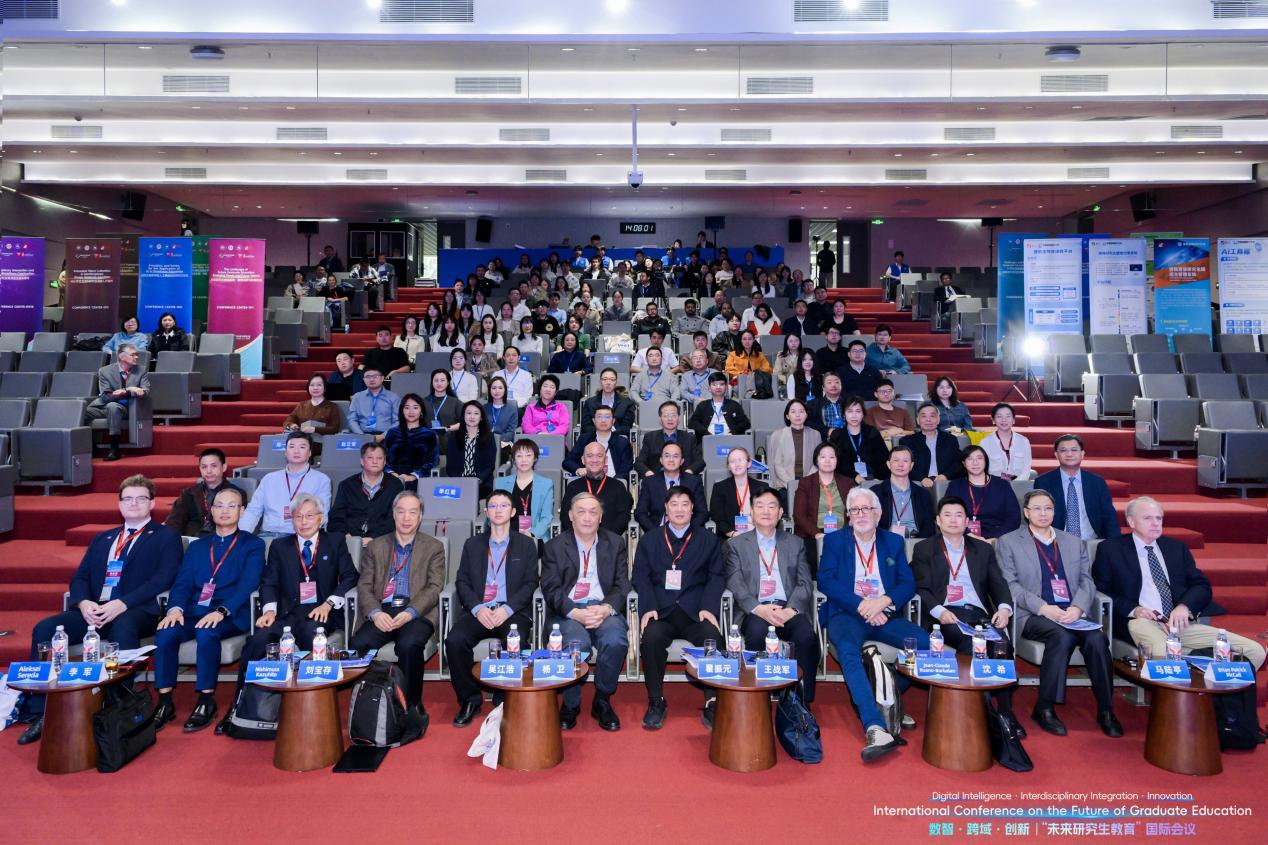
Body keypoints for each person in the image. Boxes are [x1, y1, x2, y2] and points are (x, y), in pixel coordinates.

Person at [15, 476, 182, 744]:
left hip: (137, 610)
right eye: (127, 499)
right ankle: (42, 711)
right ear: (119, 504)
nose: (134, 504)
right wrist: (83, 603)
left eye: (141, 498)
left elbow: (163, 578)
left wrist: (122, 603)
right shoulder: (103, 539)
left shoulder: (166, 537)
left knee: (123, 626)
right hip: (94, 610)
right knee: (45, 629)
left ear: (152, 503)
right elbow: (80, 578)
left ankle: (118, 706)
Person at [223, 492, 358, 732]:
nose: (304, 521)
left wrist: (329, 603)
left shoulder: (335, 541)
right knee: (257, 641)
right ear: (292, 520)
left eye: (310, 516)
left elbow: (350, 576)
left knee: (310, 636)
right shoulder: (280, 546)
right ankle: (239, 706)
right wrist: (269, 610)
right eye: (298, 517)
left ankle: (312, 709)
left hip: (320, 612)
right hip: (285, 614)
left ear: (321, 518)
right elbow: (269, 582)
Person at [997, 489, 1122, 738]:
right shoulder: (1009, 542)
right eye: (1037, 508)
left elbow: (1087, 581)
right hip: (1033, 614)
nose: (1043, 513)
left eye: (1048, 508)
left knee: (1097, 639)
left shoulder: (1073, 542)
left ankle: (1106, 709)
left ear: (1055, 512)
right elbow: (1010, 585)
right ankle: (1044, 707)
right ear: (1026, 513)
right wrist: (1044, 608)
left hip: (1072, 613)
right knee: (1061, 636)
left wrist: (1078, 607)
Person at [818, 486, 929, 761]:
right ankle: (875, 725)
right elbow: (826, 581)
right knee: (848, 652)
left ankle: (888, 697)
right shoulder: (835, 541)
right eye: (855, 510)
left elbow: (908, 583)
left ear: (878, 514)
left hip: (884, 613)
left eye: (866, 509)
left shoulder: (893, 542)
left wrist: (883, 601)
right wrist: (862, 605)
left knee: (923, 643)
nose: (860, 514)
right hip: (847, 613)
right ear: (848, 515)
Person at [1093, 496, 1265, 670]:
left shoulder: (1175, 548)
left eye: (1159, 518)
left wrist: (1184, 607)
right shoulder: (1111, 549)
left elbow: (1201, 585)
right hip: (1139, 621)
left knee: (1254, 651)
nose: (1155, 523)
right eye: (1148, 518)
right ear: (1131, 521)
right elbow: (1101, 591)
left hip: (1178, 624)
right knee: (1166, 655)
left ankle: (1206, 678)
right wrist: (1135, 610)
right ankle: (1189, 668)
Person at [152, 486, 265, 732]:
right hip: (194, 611)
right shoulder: (198, 546)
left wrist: (222, 611)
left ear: (242, 511)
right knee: (166, 633)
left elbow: (249, 583)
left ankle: (206, 700)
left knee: (207, 632)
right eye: (219, 506)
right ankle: (165, 701)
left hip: (231, 613)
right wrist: (175, 609)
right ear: (211, 511)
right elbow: (182, 583)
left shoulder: (253, 545)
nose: (225, 511)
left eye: (232, 506)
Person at [910, 495, 1020, 731]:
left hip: (979, 614)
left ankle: (1006, 712)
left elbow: (998, 583)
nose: (953, 520)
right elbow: (921, 587)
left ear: (967, 521)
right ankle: (982, 716)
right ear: (938, 521)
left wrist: (1004, 608)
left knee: (1002, 646)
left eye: (959, 515)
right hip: (947, 615)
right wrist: (939, 611)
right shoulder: (924, 548)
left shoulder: (982, 548)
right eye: (947, 515)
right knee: (974, 645)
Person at [632, 487, 726, 730]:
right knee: (651, 638)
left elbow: (717, 576)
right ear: (666, 508)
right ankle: (656, 700)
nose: (680, 509)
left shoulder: (708, 540)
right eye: (674, 504)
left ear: (693, 508)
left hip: (695, 611)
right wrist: (648, 607)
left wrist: (708, 607)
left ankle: (713, 701)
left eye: (685, 504)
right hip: (661, 610)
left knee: (713, 638)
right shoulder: (649, 540)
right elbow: (640, 577)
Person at [447, 489, 540, 727]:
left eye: (503, 506)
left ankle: (505, 696)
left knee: (516, 640)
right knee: (455, 641)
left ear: (513, 512)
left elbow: (531, 583)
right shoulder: (472, 544)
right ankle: (470, 699)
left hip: (512, 611)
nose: (498, 511)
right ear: (486, 512)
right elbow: (462, 581)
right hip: (480, 611)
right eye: (493, 506)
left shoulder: (526, 544)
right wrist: (478, 608)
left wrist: (507, 609)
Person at [349, 491, 446, 719]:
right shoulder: (376, 546)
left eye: (412, 512)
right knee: (359, 643)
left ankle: (410, 706)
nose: (406, 518)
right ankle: (371, 702)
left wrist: (411, 612)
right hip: (383, 610)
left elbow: (434, 587)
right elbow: (364, 585)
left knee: (409, 644)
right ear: (393, 514)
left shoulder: (433, 547)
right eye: (401, 511)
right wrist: (375, 613)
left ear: (420, 516)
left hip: (417, 612)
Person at [541, 494, 630, 731]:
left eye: (593, 512)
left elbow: (622, 584)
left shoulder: (615, 543)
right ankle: (571, 704)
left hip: (602, 607)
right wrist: (574, 612)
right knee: (576, 645)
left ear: (601, 517)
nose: (587, 518)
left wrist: (606, 608)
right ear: (571, 516)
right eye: (581, 512)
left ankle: (602, 699)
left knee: (615, 640)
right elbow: (550, 588)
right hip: (568, 611)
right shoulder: (554, 546)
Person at [724, 488, 820, 704]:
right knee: (756, 632)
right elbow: (735, 583)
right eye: (760, 506)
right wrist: (759, 608)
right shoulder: (736, 545)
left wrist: (790, 610)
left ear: (780, 512)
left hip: (788, 608)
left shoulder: (795, 543)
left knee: (806, 636)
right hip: (755, 610)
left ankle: (801, 703)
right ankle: (758, 700)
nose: (766, 511)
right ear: (751, 513)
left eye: (772, 506)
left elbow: (805, 583)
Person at [240, 432, 332, 537]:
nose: (296, 451)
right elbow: (253, 511)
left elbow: (321, 515)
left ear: (310, 453)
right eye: (292, 447)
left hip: (300, 536)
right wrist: (242, 536)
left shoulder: (321, 480)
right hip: (268, 534)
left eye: (302, 447)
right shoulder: (269, 479)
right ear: (285, 452)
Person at [1034, 434, 1120, 542]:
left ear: (1082, 454)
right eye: (1063, 450)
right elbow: (1038, 517)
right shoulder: (1044, 482)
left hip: (1091, 542)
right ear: (1056, 454)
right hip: (1057, 542)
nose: (1069, 454)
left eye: (1074, 450)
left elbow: (1109, 516)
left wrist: (1114, 544)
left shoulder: (1096, 482)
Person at [792, 442, 856, 573]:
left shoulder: (848, 483)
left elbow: (855, 511)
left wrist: (845, 532)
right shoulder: (805, 483)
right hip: (813, 534)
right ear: (816, 460)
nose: (827, 461)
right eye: (823, 457)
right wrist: (817, 533)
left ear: (837, 460)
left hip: (843, 532)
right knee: (812, 558)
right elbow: (799, 515)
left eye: (832, 457)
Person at [328, 441, 404, 546]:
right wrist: (347, 536)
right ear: (362, 461)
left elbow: (395, 518)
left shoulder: (395, 485)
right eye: (370, 458)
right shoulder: (347, 485)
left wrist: (374, 538)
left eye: (379, 458)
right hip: (349, 539)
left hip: (382, 541)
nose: (375, 461)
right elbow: (336, 516)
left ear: (384, 462)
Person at [86, 342, 150, 461]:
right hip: (104, 406)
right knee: (82, 412)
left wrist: (124, 392)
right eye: (133, 355)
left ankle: (114, 448)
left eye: (136, 354)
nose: (136, 357)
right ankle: (93, 447)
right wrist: (129, 390)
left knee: (113, 407)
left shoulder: (141, 370)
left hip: (130, 408)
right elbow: (106, 396)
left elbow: (145, 392)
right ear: (122, 356)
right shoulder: (105, 371)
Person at [945, 446, 1022, 540]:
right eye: (970, 459)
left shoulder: (1002, 485)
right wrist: (969, 535)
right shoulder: (955, 486)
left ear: (986, 461)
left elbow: (1014, 518)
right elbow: (948, 515)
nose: (975, 462)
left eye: (979, 458)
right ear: (964, 463)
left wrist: (995, 538)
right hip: (964, 537)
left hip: (999, 537)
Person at [165, 448, 246, 538]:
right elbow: (174, 521)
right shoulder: (188, 493)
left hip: (220, 539)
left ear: (224, 467)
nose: (209, 471)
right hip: (192, 539)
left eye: (213, 466)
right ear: (199, 469)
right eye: (204, 467)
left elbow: (237, 525)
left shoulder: (237, 494)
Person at [560, 441, 634, 537]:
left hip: (609, 540)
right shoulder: (573, 486)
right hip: (577, 539)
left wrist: (605, 538)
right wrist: (579, 537)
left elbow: (623, 517)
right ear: (583, 460)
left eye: (599, 456)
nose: (594, 460)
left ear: (605, 460)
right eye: (590, 456)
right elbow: (565, 516)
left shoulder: (618, 486)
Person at [634, 440, 708, 532]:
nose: (671, 460)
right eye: (667, 456)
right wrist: (655, 533)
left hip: (688, 532)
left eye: (675, 456)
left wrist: (688, 531)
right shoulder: (649, 482)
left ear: (682, 461)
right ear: (661, 460)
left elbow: (702, 513)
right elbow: (640, 513)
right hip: (658, 532)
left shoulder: (694, 482)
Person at [494, 439, 555, 544]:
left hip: (534, 537)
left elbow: (547, 517)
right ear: (514, 459)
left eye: (528, 455)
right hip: (506, 537)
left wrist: (531, 534)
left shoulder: (546, 484)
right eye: (519, 456)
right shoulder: (500, 483)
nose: (523, 460)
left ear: (535, 458)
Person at [708, 446, 770, 542]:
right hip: (732, 536)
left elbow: (768, 515)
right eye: (732, 461)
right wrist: (732, 533)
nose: (737, 464)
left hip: (758, 535)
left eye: (740, 460)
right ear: (728, 466)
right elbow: (717, 517)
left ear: (749, 463)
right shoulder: (720, 488)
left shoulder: (762, 487)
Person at [874, 446, 935, 540]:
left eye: (905, 461)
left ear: (911, 465)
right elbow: (871, 523)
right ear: (888, 464)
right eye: (896, 460)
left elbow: (929, 528)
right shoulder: (875, 493)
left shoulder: (923, 494)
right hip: (886, 540)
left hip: (916, 541)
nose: (900, 464)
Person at [899, 403, 965, 489]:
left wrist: (945, 476)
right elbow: (904, 465)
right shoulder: (907, 441)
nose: (928, 420)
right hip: (917, 484)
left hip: (945, 482)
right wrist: (921, 478)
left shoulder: (950, 439)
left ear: (938, 419)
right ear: (917, 420)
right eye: (924, 416)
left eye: (932, 416)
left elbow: (958, 463)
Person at [767, 399, 822, 499]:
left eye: (801, 411)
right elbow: (777, 464)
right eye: (793, 412)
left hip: (809, 481)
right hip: (785, 483)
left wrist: (805, 482)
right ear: (787, 416)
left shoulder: (815, 435)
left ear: (806, 414)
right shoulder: (777, 435)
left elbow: (817, 462)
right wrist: (791, 484)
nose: (798, 415)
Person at [829, 395, 890, 483]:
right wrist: (855, 476)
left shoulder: (872, 432)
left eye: (858, 411)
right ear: (844, 414)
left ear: (863, 414)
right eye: (850, 411)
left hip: (872, 478)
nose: (854, 416)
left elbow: (883, 458)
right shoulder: (837, 435)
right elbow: (836, 462)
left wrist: (877, 479)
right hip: (846, 479)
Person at [634, 401, 704, 477]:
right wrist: (650, 475)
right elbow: (639, 462)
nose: (670, 419)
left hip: (683, 479)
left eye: (673, 415)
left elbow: (699, 462)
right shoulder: (650, 438)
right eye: (666, 416)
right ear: (660, 419)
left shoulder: (689, 438)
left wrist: (688, 473)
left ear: (679, 418)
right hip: (657, 479)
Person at [383, 393, 441, 485]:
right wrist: (392, 473)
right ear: (402, 411)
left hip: (419, 481)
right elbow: (383, 458)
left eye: (415, 408)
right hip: (392, 479)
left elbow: (433, 461)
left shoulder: (430, 434)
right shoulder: (392, 433)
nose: (411, 411)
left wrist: (413, 476)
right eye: (407, 408)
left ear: (421, 411)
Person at [564, 405, 633, 478]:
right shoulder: (584, 439)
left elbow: (625, 470)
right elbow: (568, 461)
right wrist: (578, 470)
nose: (603, 420)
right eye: (599, 417)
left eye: (607, 417)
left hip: (614, 481)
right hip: (588, 481)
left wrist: (613, 482)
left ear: (613, 421)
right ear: (594, 421)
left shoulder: (622, 443)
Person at [447, 401, 499, 497]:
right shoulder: (454, 436)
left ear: (481, 417)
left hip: (482, 483)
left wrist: (478, 480)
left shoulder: (489, 437)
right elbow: (450, 466)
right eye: (468, 413)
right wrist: (459, 481)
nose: (472, 417)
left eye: (476, 413)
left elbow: (490, 465)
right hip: (458, 482)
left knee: (470, 495)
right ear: (463, 416)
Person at [687, 372, 751, 439]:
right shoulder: (703, 405)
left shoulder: (734, 405)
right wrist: (706, 433)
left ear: (726, 387)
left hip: (730, 439)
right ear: (709, 388)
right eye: (714, 384)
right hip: (708, 440)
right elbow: (692, 423)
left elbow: (745, 423)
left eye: (721, 384)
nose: (718, 387)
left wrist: (733, 433)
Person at [979, 402, 1032, 481]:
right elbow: (983, 470)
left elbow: (1026, 470)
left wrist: (1016, 483)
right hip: (994, 483)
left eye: (1008, 416)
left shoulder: (1024, 441)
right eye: (999, 416)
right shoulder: (985, 442)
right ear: (993, 420)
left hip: (1019, 483)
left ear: (1013, 420)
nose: (1004, 420)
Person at [579, 368, 636, 438]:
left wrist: (610, 433)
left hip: (617, 438)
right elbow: (586, 426)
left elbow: (626, 427)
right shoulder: (589, 402)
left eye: (612, 380)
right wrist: (600, 433)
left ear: (617, 382)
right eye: (605, 379)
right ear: (600, 382)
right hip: (594, 438)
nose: (608, 383)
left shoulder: (627, 403)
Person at [347, 367, 401, 437]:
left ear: (382, 378)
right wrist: (361, 435)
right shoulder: (357, 397)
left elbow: (397, 421)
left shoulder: (393, 397)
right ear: (364, 380)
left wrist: (383, 436)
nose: (371, 379)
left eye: (375, 376)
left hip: (386, 436)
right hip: (362, 435)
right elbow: (352, 419)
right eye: (368, 377)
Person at [723, 330, 774, 396]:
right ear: (741, 340)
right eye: (744, 339)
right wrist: (742, 373)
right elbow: (728, 369)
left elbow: (768, 369)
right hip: (740, 382)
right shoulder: (733, 354)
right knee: (737, 388)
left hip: (757, 382)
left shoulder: (760, 355)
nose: (747, 341)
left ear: (753, 340)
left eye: (750, 339)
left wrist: (754, 373)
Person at [421, 369, 461, 446]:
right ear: (432, 382)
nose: (439, 383)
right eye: (436, 380)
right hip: (427, 443)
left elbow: (464, 423)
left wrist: (448, 428)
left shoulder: (456, 402)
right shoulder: (423, 402)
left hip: (450, 443)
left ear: (448, 382)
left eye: (442, 380)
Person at [807, 371, 847, 437]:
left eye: (837, 382)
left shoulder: (849, 403)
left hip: (846, 439)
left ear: (841, 386)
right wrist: (827, 431)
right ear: (823, 388)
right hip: (824, 440)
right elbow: (809, 423)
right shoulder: (813, 405)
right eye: (829, 382)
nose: (833, 385)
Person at [482, 376, 519, 448]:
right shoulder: (484, 408)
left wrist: (496, 439)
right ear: (489, 390)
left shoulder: (512, 409)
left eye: (500, 388)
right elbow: (481, 428)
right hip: (486, 442)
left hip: (504, 443)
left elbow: (510, 433)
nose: (497, 391)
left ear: (505, 390)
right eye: (494, 388)